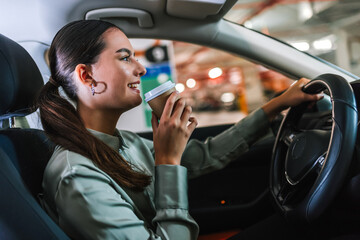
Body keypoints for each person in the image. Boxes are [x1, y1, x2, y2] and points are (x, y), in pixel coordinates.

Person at [37, 20, 323, 240]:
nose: (140, 68)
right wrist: (168, 161)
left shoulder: (124, 142)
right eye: (125, 58)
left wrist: (278, 104)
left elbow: (207, 155)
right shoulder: (76, 175)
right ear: (87, 75)